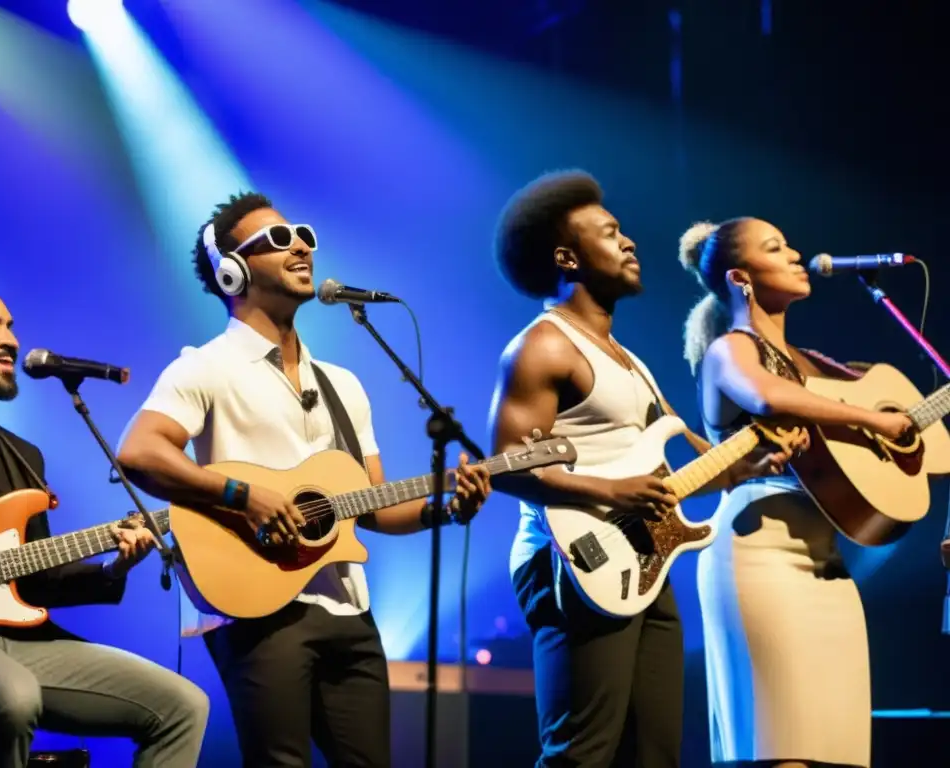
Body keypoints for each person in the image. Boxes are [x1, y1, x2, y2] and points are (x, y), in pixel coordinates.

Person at [116, 191, 492, 767]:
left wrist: (448, 508)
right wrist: (243, 496)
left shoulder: (343, 384)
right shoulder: (205, 367)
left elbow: (371, 508)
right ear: (231, 271)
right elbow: (139, 451)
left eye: (303, 236)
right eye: (275, 239)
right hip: (256, 604)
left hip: (347, 606)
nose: (298, 245)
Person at [486, 171, 801, 767]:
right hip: (573, 563)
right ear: (567, 257)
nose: (628, 242)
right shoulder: (542, 347)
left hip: (643, 563)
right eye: (609, 234)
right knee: (582, 753)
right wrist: (612, 491)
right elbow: (503, 468)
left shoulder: (629, 363)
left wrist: (747, 461)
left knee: (653, 753)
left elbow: (673, 478)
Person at [0, 277, 209, 768]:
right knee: (12, 696)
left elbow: (39, 582)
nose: (11, 340)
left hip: (15, 639)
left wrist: (112, 570)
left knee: (183, 705)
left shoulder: (23, 457)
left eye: (11, 327)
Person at [679, 217, 913, 768]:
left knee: (839, 752)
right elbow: (764, 394)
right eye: (776, 248)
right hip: (757, 555)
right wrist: (874, 421)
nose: (795, 255)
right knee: (780, 750)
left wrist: (893, 425)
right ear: (741, 278)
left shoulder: (816, 365)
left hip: (828, 565)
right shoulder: (729, 351)